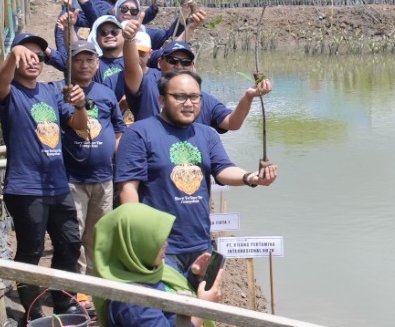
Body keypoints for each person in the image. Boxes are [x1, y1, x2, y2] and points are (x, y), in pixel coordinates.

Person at [115, 69, 277, 274]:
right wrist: (141, 240)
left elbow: (223, 169)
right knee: (166, 304)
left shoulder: (206, 134)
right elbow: (128, 189)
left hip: (200, 244)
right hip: (160, 247)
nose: (189, 103)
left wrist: (251, 177)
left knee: (202, 303)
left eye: (194, 97)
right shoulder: (139, 133)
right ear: (162, 100)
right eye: (180, 96)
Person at [0, 34, 86, 320]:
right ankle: (33, 312)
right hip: (25, 187)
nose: (34, 62)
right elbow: (0, 84)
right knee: (31, 251)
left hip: (58, 184)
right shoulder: (8, 93)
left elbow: (79, 126)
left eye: (39, 57)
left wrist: (81, 105)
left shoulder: (50, 92)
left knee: (70, 244)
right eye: (27, 56)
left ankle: (63, 300)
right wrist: (12, 54)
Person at [61, 39, 125, 276]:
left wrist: (114, 156)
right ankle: (79, 287)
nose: (84, 65)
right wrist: (79, 105)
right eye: (78, 60)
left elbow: (119, 129)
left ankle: (98, 283)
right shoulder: (64, 92)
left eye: (89, 60)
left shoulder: (106, 93)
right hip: (72, 178)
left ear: (97, 64)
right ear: (69, 64)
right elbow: (75, 122)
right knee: (74, 235)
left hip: (104, 178)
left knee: (99, 235)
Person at [122, 36, 266, 132]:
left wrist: (248, 97)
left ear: (192, 66)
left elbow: (232, 123)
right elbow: (132, 67)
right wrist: (129, 38)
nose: (179, 66)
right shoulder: (147, 84)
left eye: (185, 62)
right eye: (172, 61)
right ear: (159, 63)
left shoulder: (204, 99)